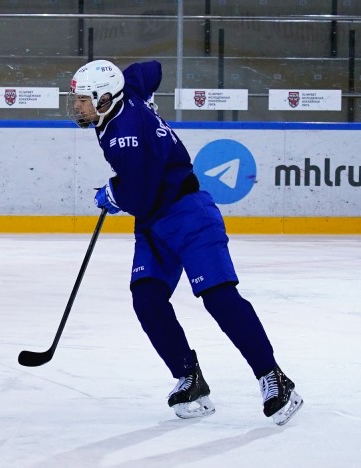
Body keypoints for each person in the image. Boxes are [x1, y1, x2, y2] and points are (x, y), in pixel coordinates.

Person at [67, 59, 303, 425]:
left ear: (104, 97)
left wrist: (113, 193)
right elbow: (152, 67)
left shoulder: (122, 133)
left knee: (219, 297)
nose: (78, 106)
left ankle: (274, 377)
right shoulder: (126, 94)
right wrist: (141, 94)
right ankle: (189, 377)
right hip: (153, 225)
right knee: (146, 299)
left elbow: (140, 194)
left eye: (84, 99)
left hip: (189, 214)